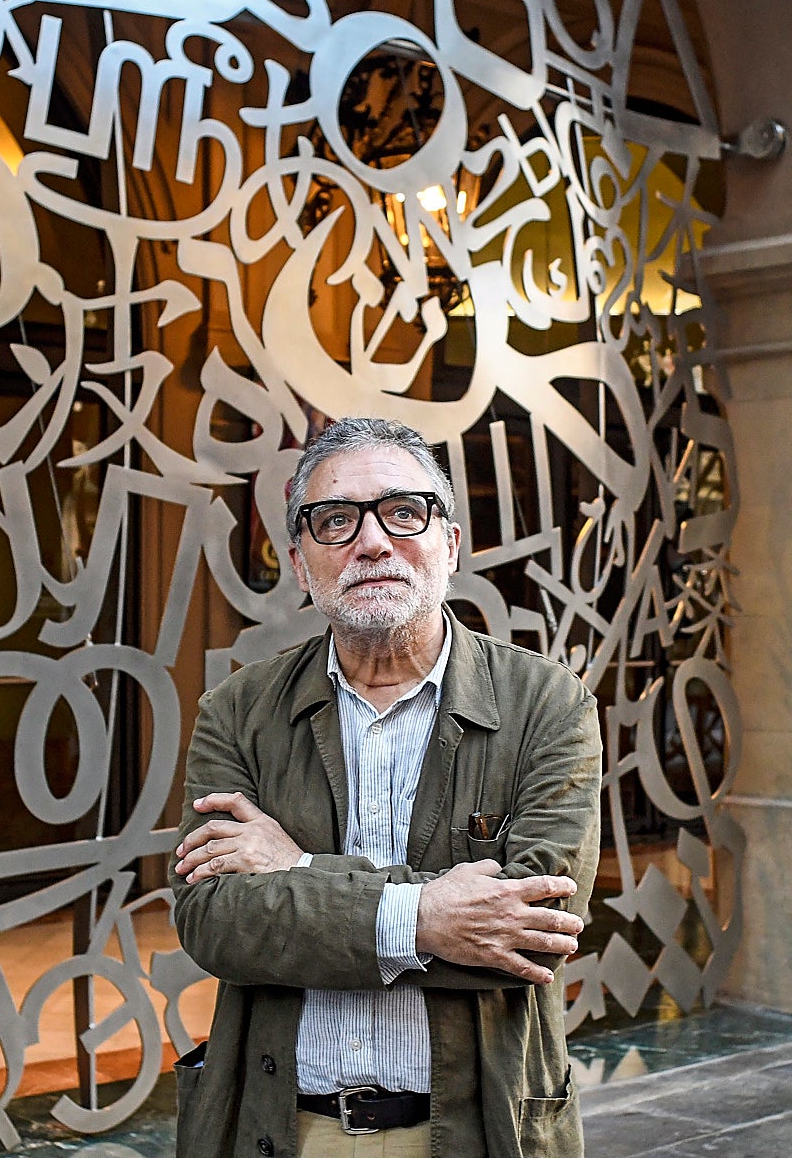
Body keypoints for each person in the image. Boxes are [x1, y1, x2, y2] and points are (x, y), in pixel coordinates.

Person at [170, 417, 602, 1158]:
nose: (372, 542)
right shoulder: (238, 712)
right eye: (336, 520)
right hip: (283, 1129)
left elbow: (536, 930)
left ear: (451, 545)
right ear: (302, 566)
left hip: (474, 1130)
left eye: (404, 512)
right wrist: (429, 913)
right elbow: (213, 920)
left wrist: (299, 872)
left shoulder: (548, 704)